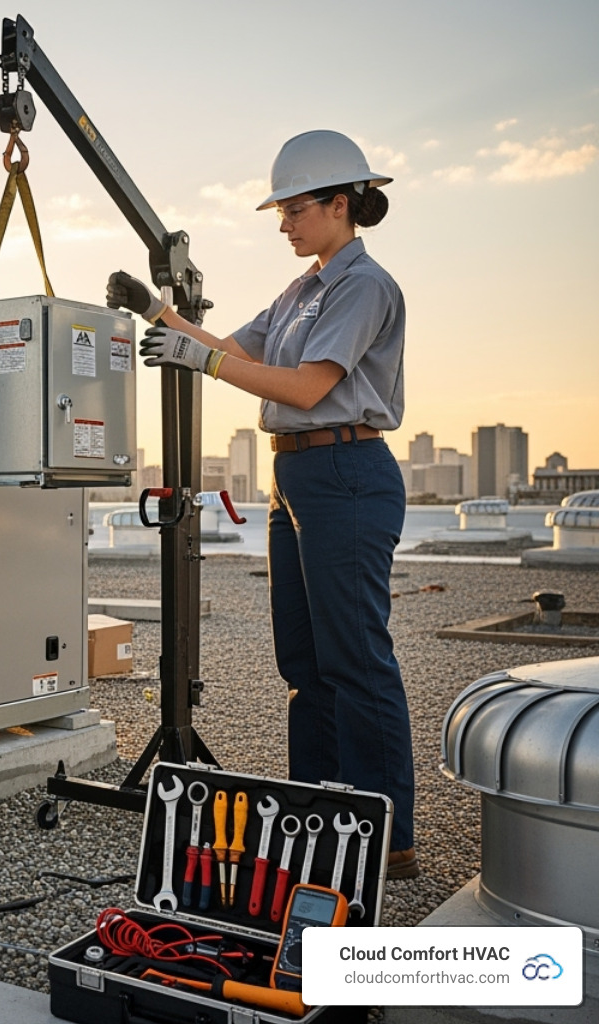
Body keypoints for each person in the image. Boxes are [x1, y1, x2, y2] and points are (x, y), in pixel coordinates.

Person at [106, 130, 418, 880]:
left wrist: (201, 360)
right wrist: (161, 314)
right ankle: (319, 812)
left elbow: (309, 386)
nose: (284, 223)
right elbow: (239, 352)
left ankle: (389, 836)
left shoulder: (363, 286)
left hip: (346, 466)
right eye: (281, 211)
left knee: (355, 656)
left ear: (341, 205)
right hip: (295, 477)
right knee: (304, 659)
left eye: (295, 209)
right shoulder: (302, 289)